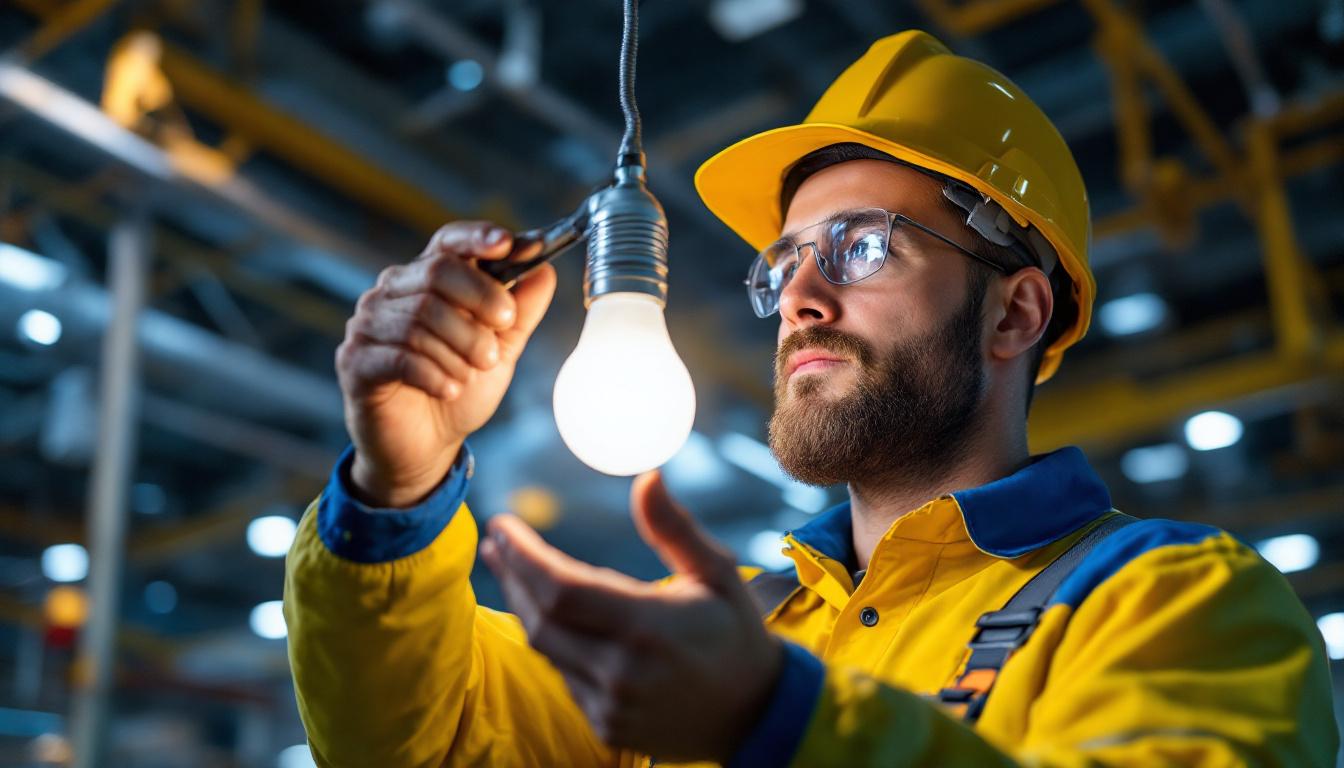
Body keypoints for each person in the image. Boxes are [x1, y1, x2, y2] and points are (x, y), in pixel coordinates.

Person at [284, 31, 1337, 767]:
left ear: (1015, 313)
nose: (798, 295)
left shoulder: (1172, 602)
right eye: (782, 262)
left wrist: (775, 723)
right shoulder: (722, 632)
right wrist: (397, 487)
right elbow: (426, 743)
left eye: (863, 247)